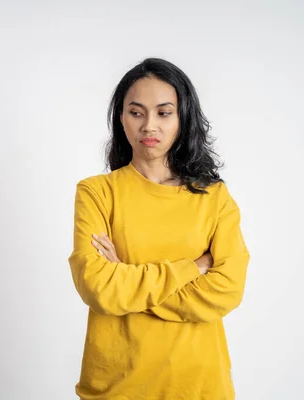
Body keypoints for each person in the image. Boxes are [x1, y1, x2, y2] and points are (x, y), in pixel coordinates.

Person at [68, 57, 250, 399]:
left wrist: (125, 274)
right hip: (117, 387)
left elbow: (225, 290)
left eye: (164, 112)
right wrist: (191, 268)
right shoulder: (97, 192)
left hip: (199, 385)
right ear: (121, 117)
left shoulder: (214, 198)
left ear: (183, 118)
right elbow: (98, 288)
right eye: (136, 112)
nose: (149, 125)